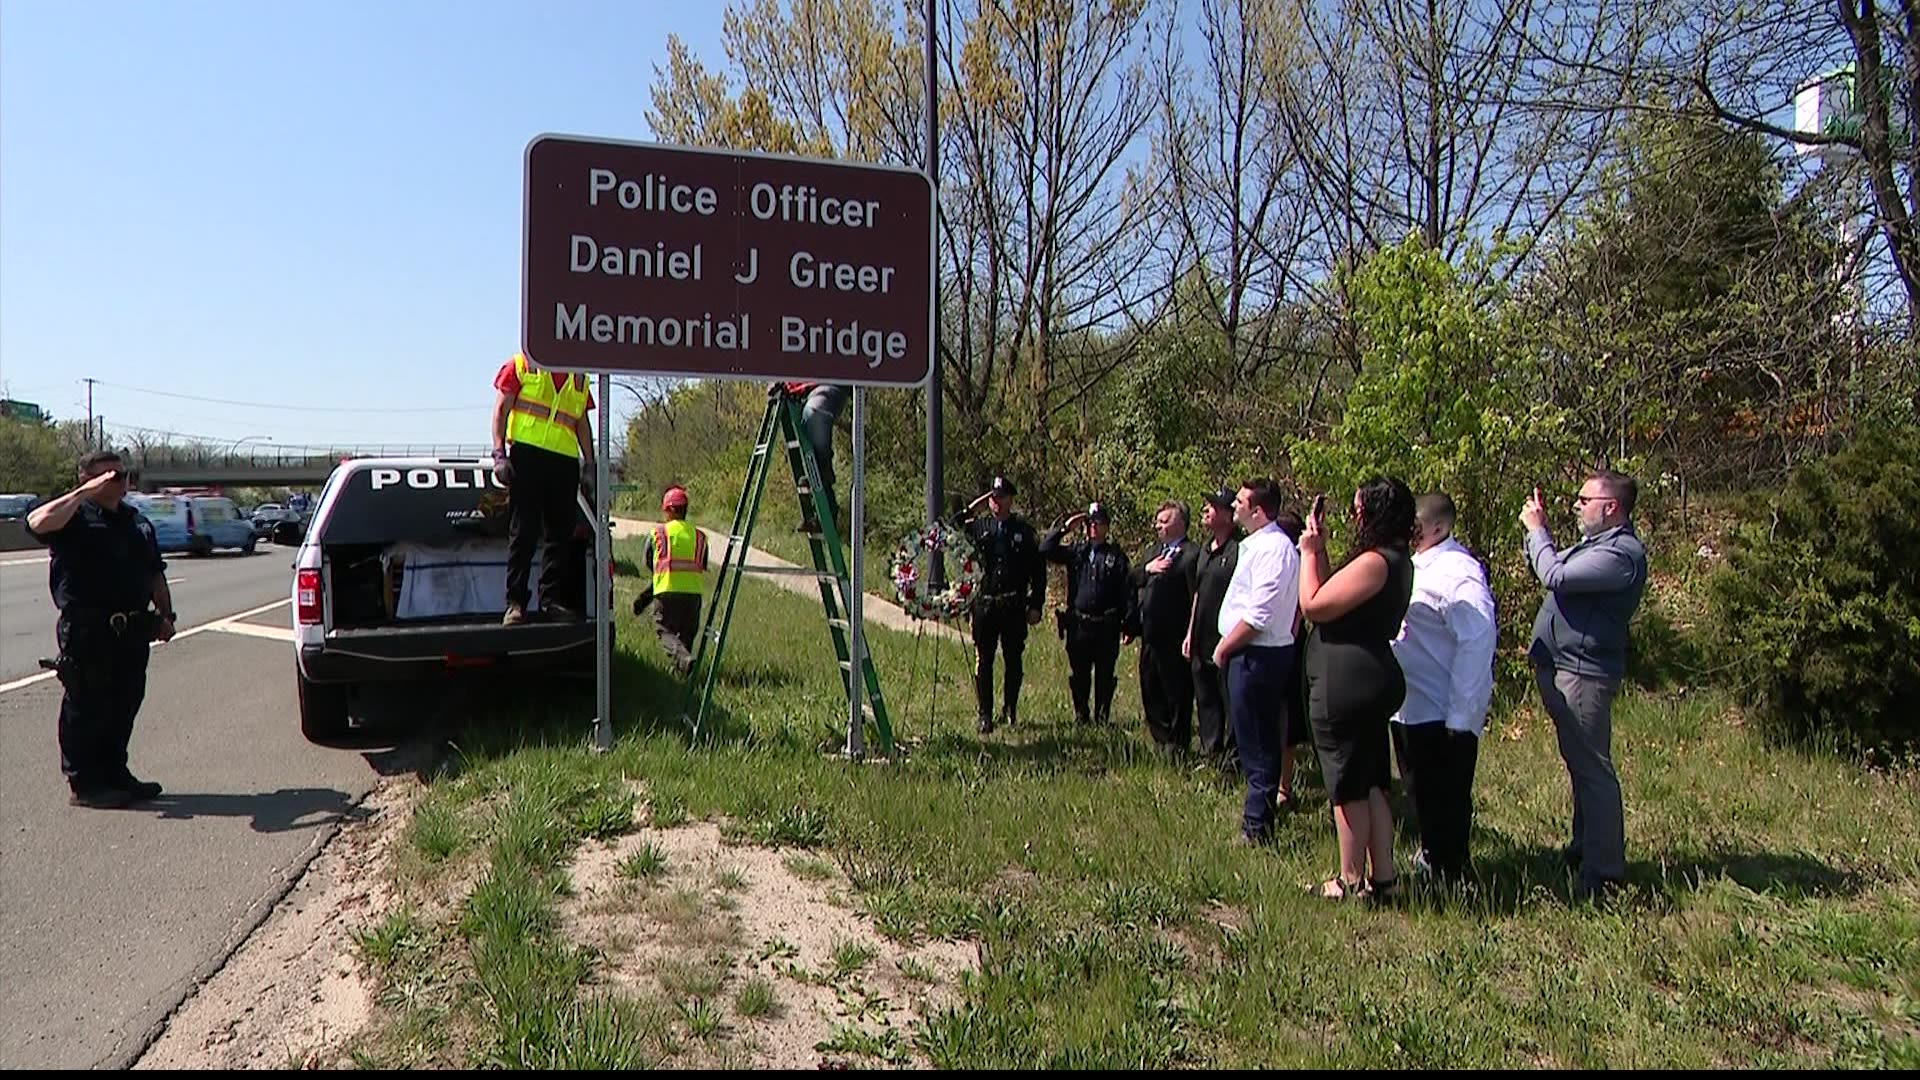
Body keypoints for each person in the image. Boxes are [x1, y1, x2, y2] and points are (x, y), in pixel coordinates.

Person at [25, 450, 178, 809]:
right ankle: (85, 783)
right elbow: (35, 522)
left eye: (122, 475)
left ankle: (115, 773)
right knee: (87, 706)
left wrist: (167, 615)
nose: (118, 481)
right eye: (108, 475)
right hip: (88, 628)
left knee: (125, 702)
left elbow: (155, 572)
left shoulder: (136, 521)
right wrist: (83, 494)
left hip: (132, 627)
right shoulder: (72, 516)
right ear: (86, 479)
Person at [1523, 470, 1648, 902]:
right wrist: (1538, 537)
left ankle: (1605, 875)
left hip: (1584, 673)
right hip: (1564, 667)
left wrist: (1538, 532)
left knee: (1594, 771)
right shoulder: (1599, 546)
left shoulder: (1622, 554)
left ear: (1610, 507)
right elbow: (1553, 567)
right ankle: (1584, 849)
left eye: (1584, 499)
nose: (1577, 506)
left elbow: (1555, 575)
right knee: (1580, 765)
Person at [1300, 477, 1417, 901]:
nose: (1354, 515)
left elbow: (1313, 604)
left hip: (1347, 682)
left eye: (1359, 508)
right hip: (1370, 677)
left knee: (1346, 783)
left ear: (1374, 512)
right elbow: (1337, 596)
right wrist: (1323, 550)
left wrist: (1308, 553)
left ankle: (1349, 881)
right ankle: (1383, 879)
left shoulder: (1375, 562)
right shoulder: (1394, 559)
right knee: (1371, 781)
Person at [1390, 493, 1498, 882]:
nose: (1408, 530)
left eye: (1415, 524)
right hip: (1408, 706)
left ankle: (1453, 877)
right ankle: (1432, 861)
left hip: (1440, 711)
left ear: (1438, 527)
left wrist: (1461, 715)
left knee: (1446, 799)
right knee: (1419, 794)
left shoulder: (1457, 572)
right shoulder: (1412, 564)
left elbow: (1478, 639)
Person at [1210, 479, 1301, 844]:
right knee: (1251, 740)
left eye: (1242, 501)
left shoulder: (1274, 550)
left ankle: (1257, 826)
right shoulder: (1258, 546)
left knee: (1260, 742)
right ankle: (1258, 818)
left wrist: (1224, 648)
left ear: (1258, 510)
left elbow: (1259, 615)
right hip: (1249, 653)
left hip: (1257, 655)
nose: (1234, 504)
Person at [491, 352, 596, 625]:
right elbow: (502, 408)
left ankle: (550, 601)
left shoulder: (579, 376)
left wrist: (589, 463)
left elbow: (581, 421)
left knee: (560, 534)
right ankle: (515, 603)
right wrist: (499, 454)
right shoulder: (522, 364)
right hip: (527, 457)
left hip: (564, 461)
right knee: (523, 531)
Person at [954, 476, 1047, 733]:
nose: (997, 503)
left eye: (1001, 497)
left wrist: (1036, 603)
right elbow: (951, 526)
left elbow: (1038, 572)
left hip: (1013, 604)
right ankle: (985, 713)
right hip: (985, 604)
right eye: (993, 498)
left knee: (1013, 659)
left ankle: (1010, 708)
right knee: (984, 660)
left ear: (1010, 499)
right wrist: (975, 506)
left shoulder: (1023, 532)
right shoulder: (979, 526)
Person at [1043, 502, 1132, 726]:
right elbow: (1045, 549)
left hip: (1106, 624)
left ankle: (1102, 718)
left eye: (1099, 523)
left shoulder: (1116, 556)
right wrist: (1065, 528)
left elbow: (1126, 591)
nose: (1094, 527)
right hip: (1079, 624)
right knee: (1080, 674)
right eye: (1090, 523)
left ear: (1106, 526)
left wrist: (1128, 623)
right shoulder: (1077, 552)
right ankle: (1081, 716)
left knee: (1105, 675)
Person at [1129, 501, 1200, 755]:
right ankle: (1160, 741)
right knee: (1150, 689)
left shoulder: (1192, 554)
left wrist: (1192, 632)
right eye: (1157, 520)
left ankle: (1177, 745)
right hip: (1150, 636)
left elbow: (1196, 596)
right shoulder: (1152, 553)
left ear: (1179, 523)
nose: (1158, 525)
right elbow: (1131, 578)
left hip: (1176, 637)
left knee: (1177, 693)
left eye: (1164, 520)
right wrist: (1147, 570)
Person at [1185, 489, 1240, 762]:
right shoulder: (1205, 550)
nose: (1206, 509)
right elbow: (1197, 593)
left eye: (1213, 506)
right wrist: (1189, 633)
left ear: (1229, 515)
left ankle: (1231, 760)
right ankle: (1210, 753)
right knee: (1205, 699)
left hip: (1226, 640)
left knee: (1227, 700)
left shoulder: (1239, 550)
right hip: (1200, 637)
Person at [632, 486, 710, 677]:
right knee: (687, 634)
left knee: (665, 630)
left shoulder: (658, 534)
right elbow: (703, 563)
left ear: (667, 510)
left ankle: (684, 661)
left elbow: (648, 562)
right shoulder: (700, 537)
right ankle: (683, 671)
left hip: (666, 592)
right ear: (686, 510)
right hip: (693, 594)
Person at [771, 382, 850, 526]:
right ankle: (813, 511)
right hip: (797, 392)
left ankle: (826, 502)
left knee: (814, 413)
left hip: (826, 386)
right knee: (798, 437)